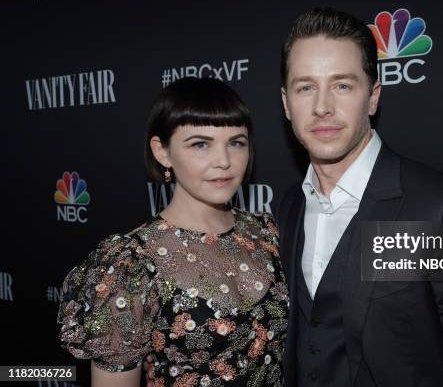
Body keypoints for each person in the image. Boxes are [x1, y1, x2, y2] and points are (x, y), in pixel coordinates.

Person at [274, 8, 443, 386]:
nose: (322, 106)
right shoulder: (287, 208)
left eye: (342, 85)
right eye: (305, 87)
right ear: (285, 104)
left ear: (373, 96)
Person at [58, 77, 289, 387]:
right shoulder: (132, 263)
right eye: (200, 144)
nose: (224, 161)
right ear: (162, 151)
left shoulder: (268, 233)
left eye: (236, 142)